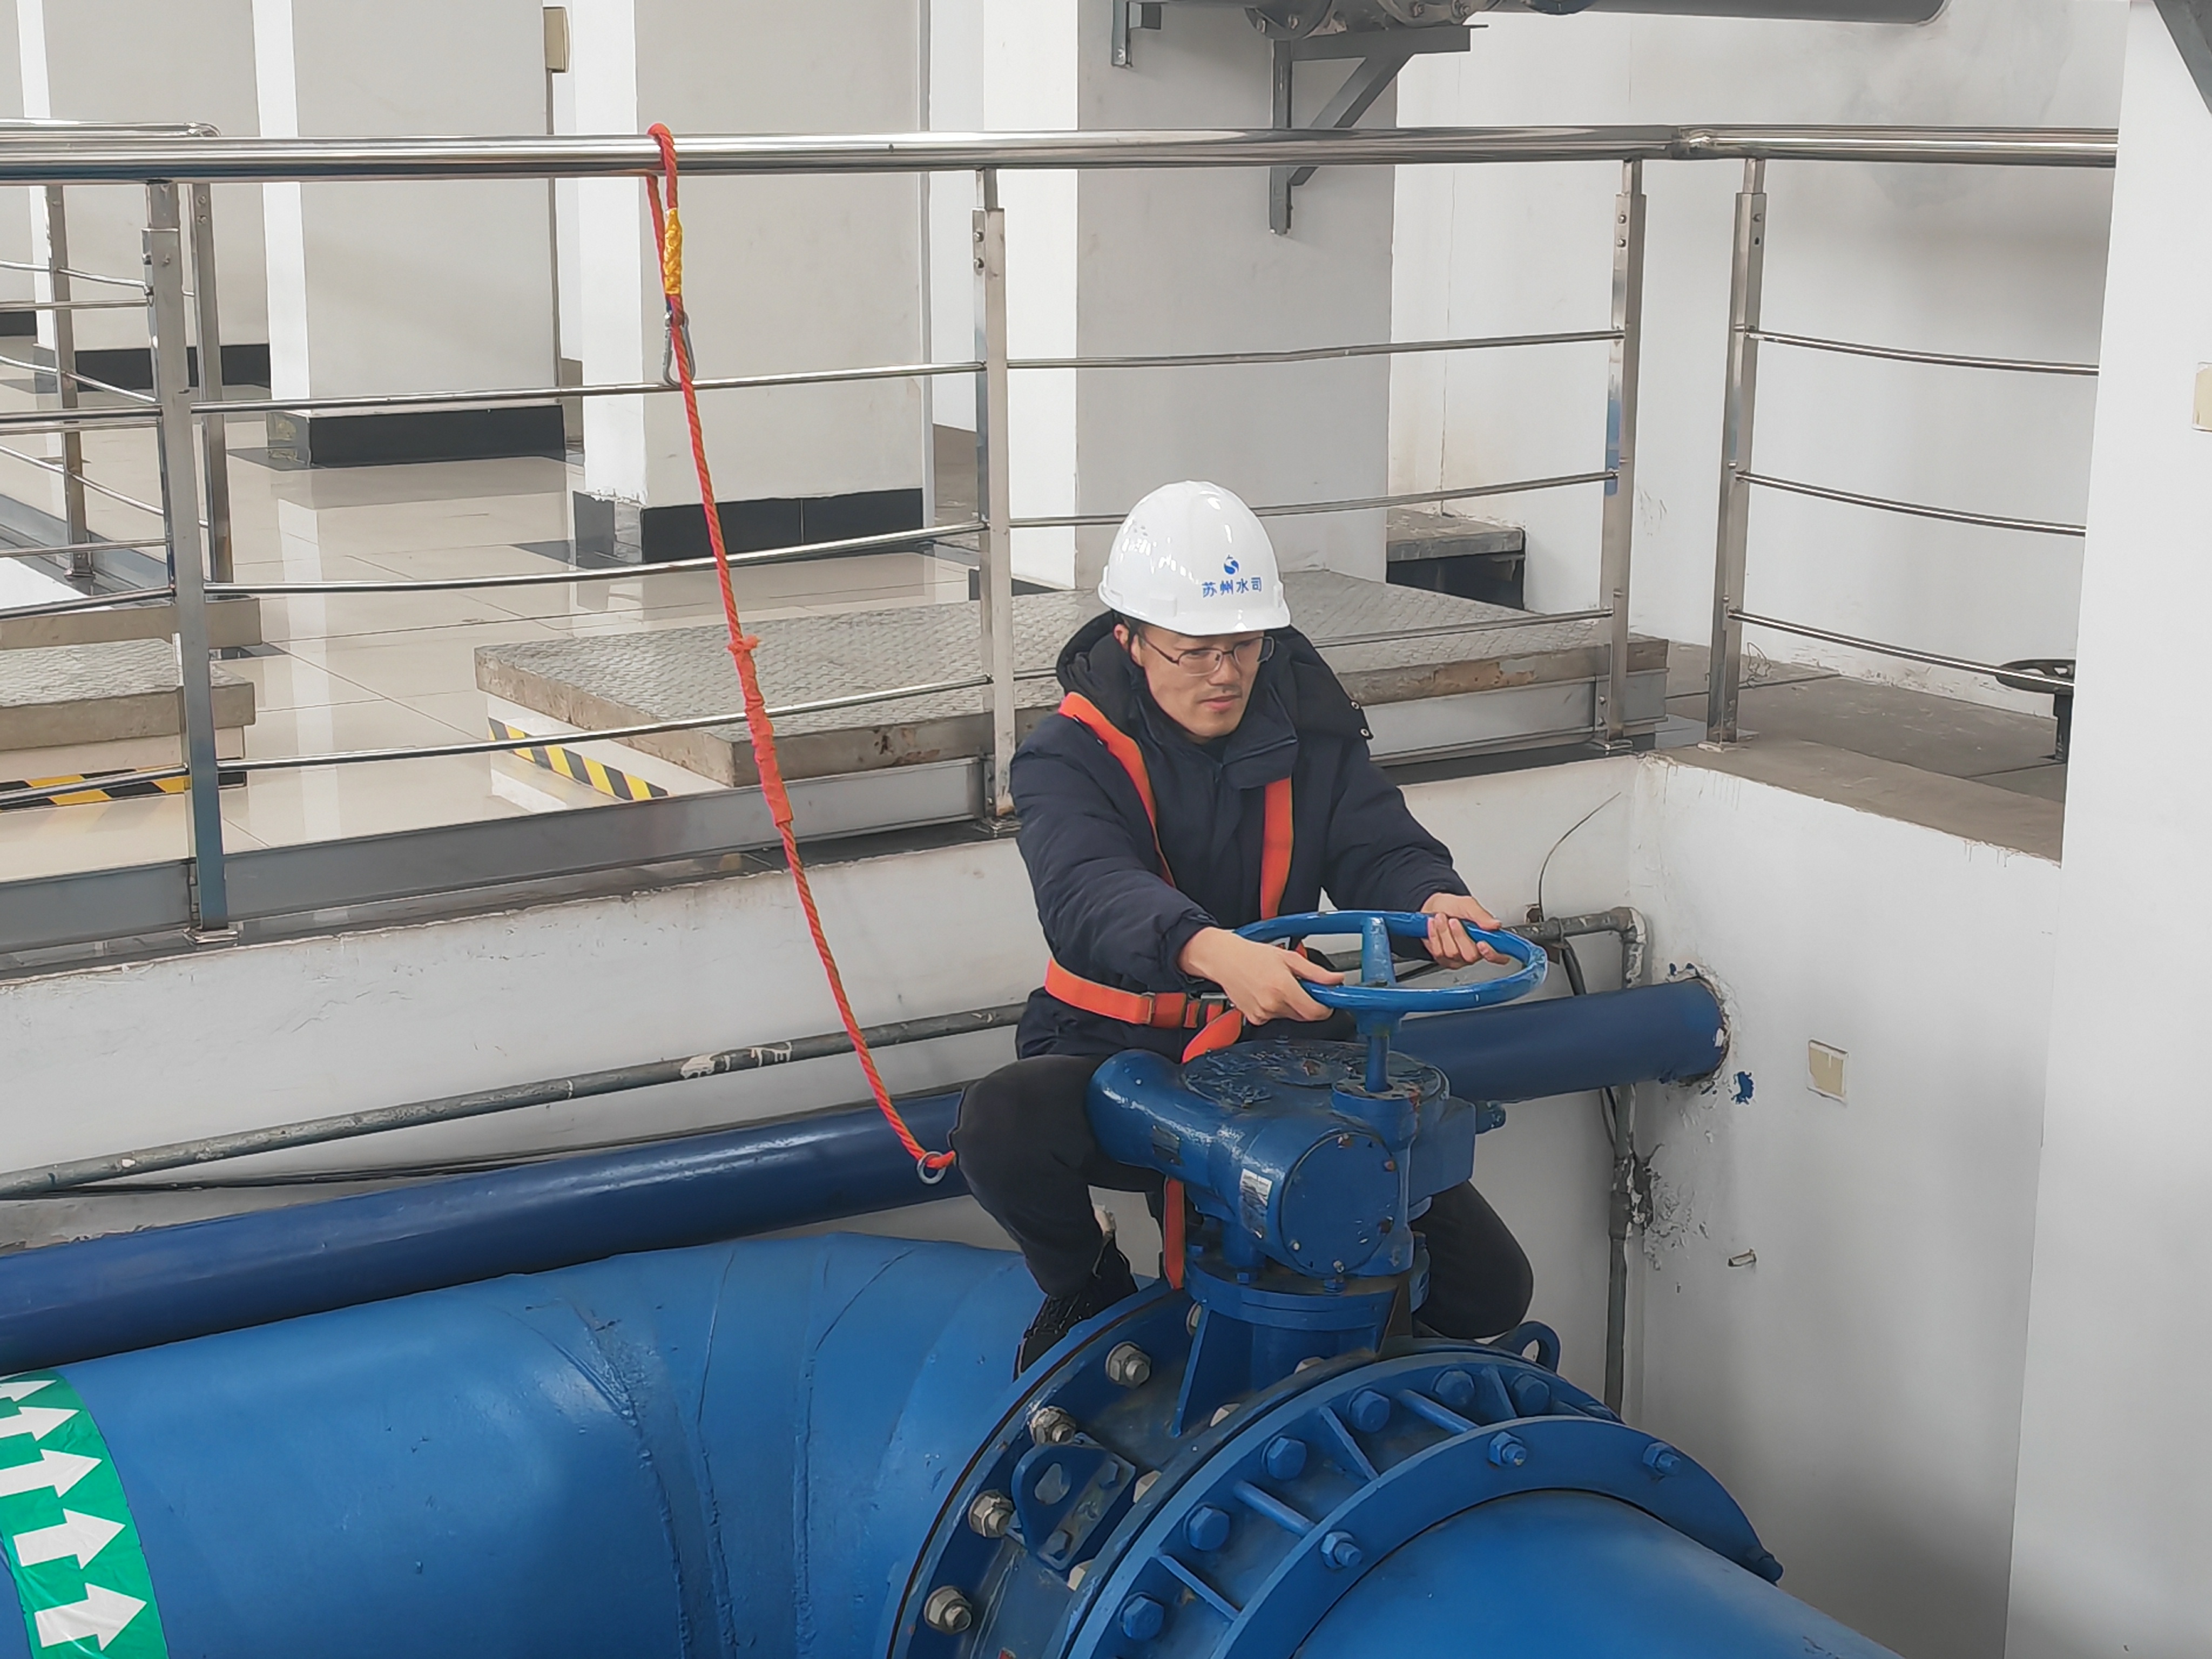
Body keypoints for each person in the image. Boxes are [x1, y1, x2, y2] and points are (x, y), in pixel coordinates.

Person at [952, 480, 1535, 1372]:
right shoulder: (1063, 756)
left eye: (1244, 646)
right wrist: (1213, 953)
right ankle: (1087, 1286)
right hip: (1115, 1047)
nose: (1224, 673)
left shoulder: (1308, 726)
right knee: (1000, 1125)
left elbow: (1375, 841)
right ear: (1131, 639)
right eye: (1194, 651)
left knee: (1491, 1289)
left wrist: (1432, 898)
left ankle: (1358, 1358)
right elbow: (1087, 888)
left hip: (1281, 1045)